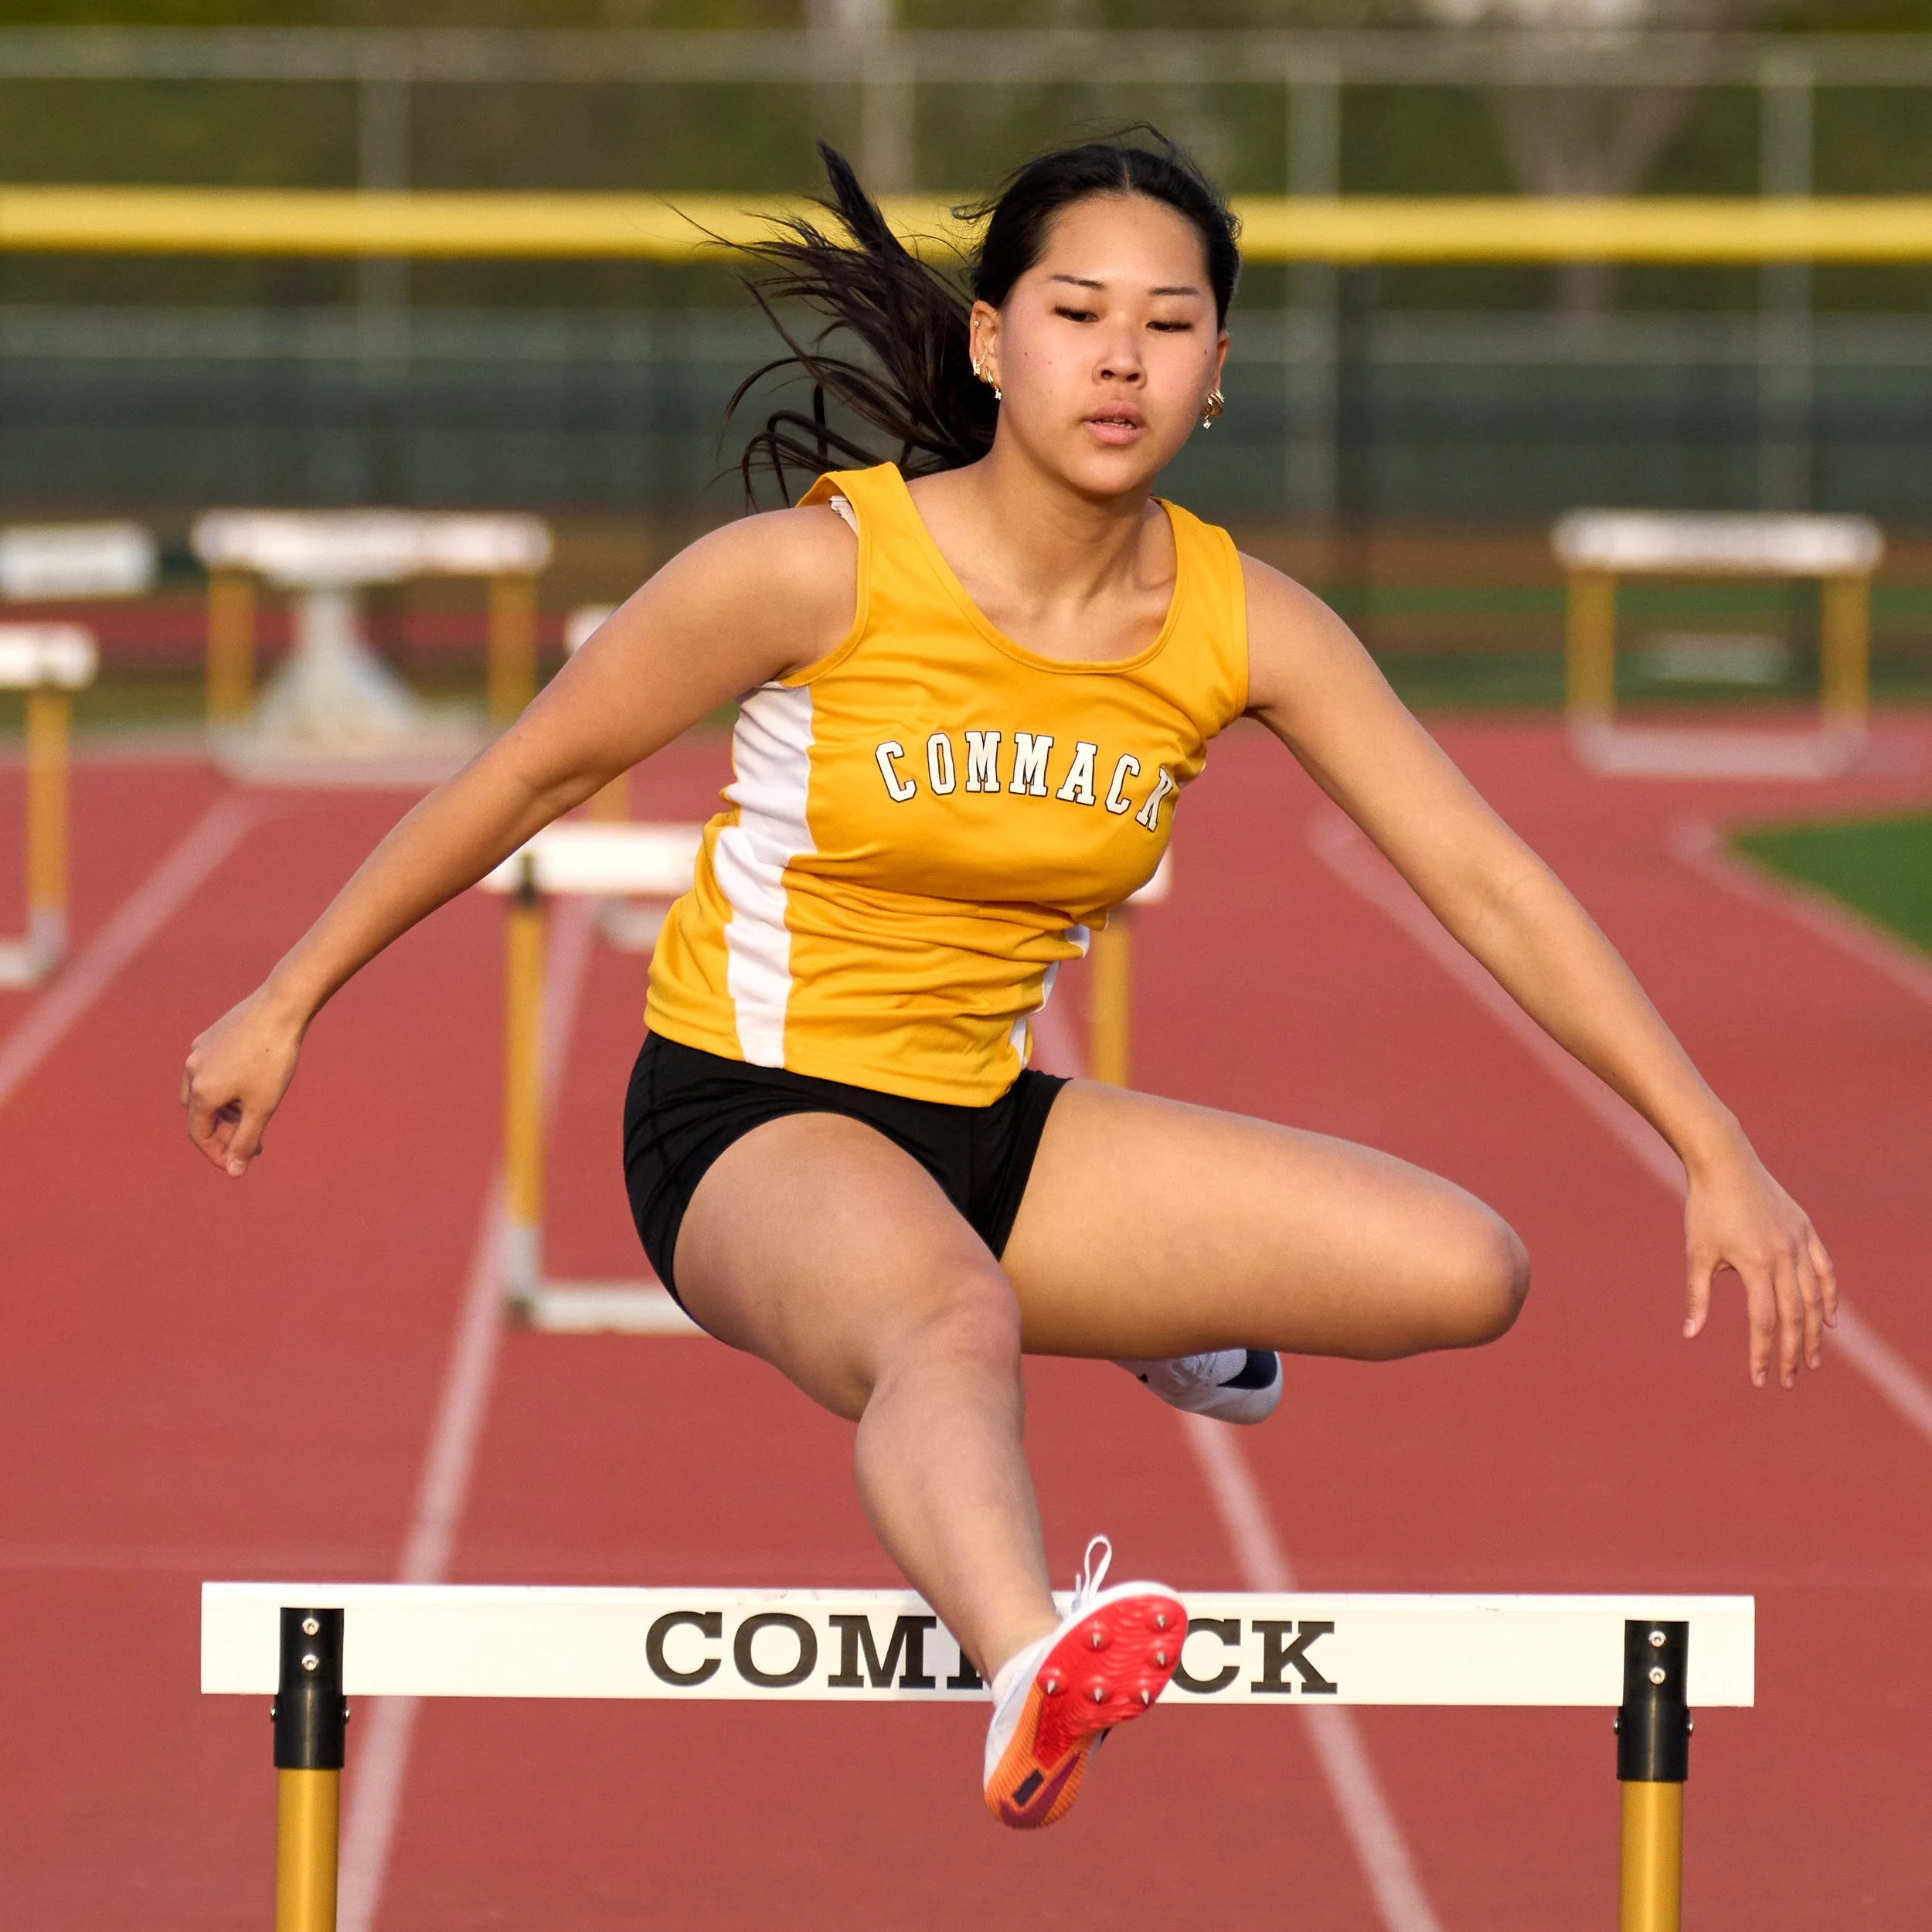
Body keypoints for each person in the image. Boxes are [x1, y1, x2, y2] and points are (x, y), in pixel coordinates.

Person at [181, 134, 1835, 1832]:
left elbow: (1487, 880)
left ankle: (1160, 1321)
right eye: (1077, 312)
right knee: (948, 1321)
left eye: (1167, 325)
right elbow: (528, 773)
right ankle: (1028, 1659)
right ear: (992, 340)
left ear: (1216, 370)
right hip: (753, 1117)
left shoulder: (1243, 620)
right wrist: (287, 996)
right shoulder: (815, 572)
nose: (1121, 359)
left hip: (987, 1122)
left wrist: (1710, 1143)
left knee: (1466, 1269)